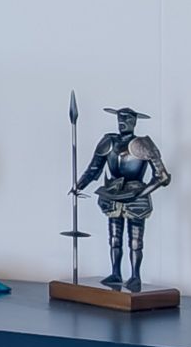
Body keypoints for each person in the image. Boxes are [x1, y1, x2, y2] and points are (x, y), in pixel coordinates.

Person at [73, 108, 172, 291]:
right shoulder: (108, 141)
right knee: (114, 238)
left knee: (135, 241)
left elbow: (162, 176)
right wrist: (78, 186)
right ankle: (116, 273)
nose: (122, 121)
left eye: (127, 118)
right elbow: (94, 169)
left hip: (135, 196)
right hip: (112, 193)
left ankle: (135, 276)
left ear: (135, 121)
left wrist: (141, 193)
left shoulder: (143, 144)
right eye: (120, 117)